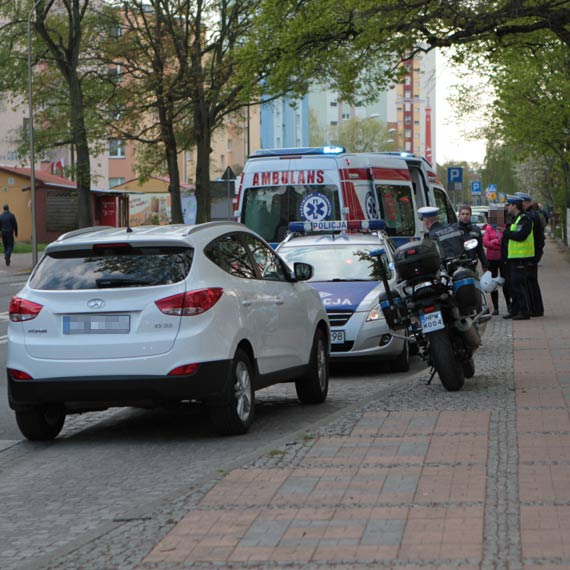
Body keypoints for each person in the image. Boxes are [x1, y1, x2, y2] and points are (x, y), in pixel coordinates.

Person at [503, 195, 534, 320]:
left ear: (514, 205)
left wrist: (506, 233)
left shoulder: (525, 219)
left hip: (521, 257)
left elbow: (520, 235)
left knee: (518, 285)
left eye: (509, 205)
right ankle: (515, 310)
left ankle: (524, 311)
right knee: (512, 284)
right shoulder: (515, 218)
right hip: (513, 257)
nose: (507, 207)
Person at [516, 192, 544, 317]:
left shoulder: (530, 216)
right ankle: (536, 308)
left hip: (531, 253)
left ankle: (535, 309)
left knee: (530, 281)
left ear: (526, 202)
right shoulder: (532, 214)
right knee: (531, 281)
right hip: (534, 253)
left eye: (520, 203)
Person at [483, 220, 509, 315]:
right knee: (493, 283)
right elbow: (485, 242)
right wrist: (498, 243)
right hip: (491, 259)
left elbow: (506, 242)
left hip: (503, 258)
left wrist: (493, 242)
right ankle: (496, 308)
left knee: (505, 282)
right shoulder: (489, 228)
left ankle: (509, 306)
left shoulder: (506, 227)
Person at [455, 205, 489, 273]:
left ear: (470, 215)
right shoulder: (453, 230)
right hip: (457, 266)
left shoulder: (476, 230)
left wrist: (485, 265)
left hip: (472, 265)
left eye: (467, 214)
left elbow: (480, 250)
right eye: (463, 214)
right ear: (459, 215)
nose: (465, 216)